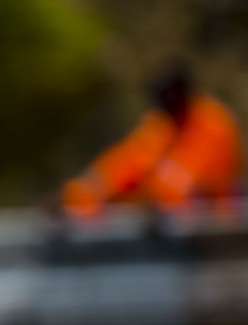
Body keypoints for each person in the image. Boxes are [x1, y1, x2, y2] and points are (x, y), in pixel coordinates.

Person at [61, 65, 242, 217]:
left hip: (212, 228)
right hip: (171, 229)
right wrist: (91, 189)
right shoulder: (162, 125)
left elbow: (195, 182)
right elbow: (130, 160)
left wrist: (157, 189)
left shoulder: (212, 122)